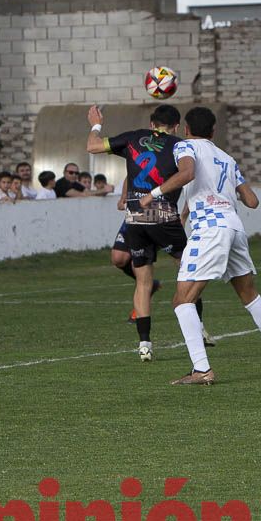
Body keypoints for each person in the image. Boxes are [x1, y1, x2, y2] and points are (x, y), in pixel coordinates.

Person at [137, 106, 261, 386]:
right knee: (250, 295)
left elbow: (187, 175)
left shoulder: (185, 147)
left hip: (210, 230)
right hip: (233, 227)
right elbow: (252, 201)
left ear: (186, 130)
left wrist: (154, 193)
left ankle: (201, 369)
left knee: (182, 301)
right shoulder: (227, 158)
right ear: (213, 131)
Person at [87, 103, 210, 362]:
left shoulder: (132, 138)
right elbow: (189, 177)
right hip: (164, 218)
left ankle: (144, 344)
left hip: (135, 220)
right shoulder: (179, 145)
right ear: (176, 127)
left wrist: (96, 124)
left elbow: (93, 146)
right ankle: (198, 328)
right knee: (189, 270)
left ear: (152, 123)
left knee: (143, 281)